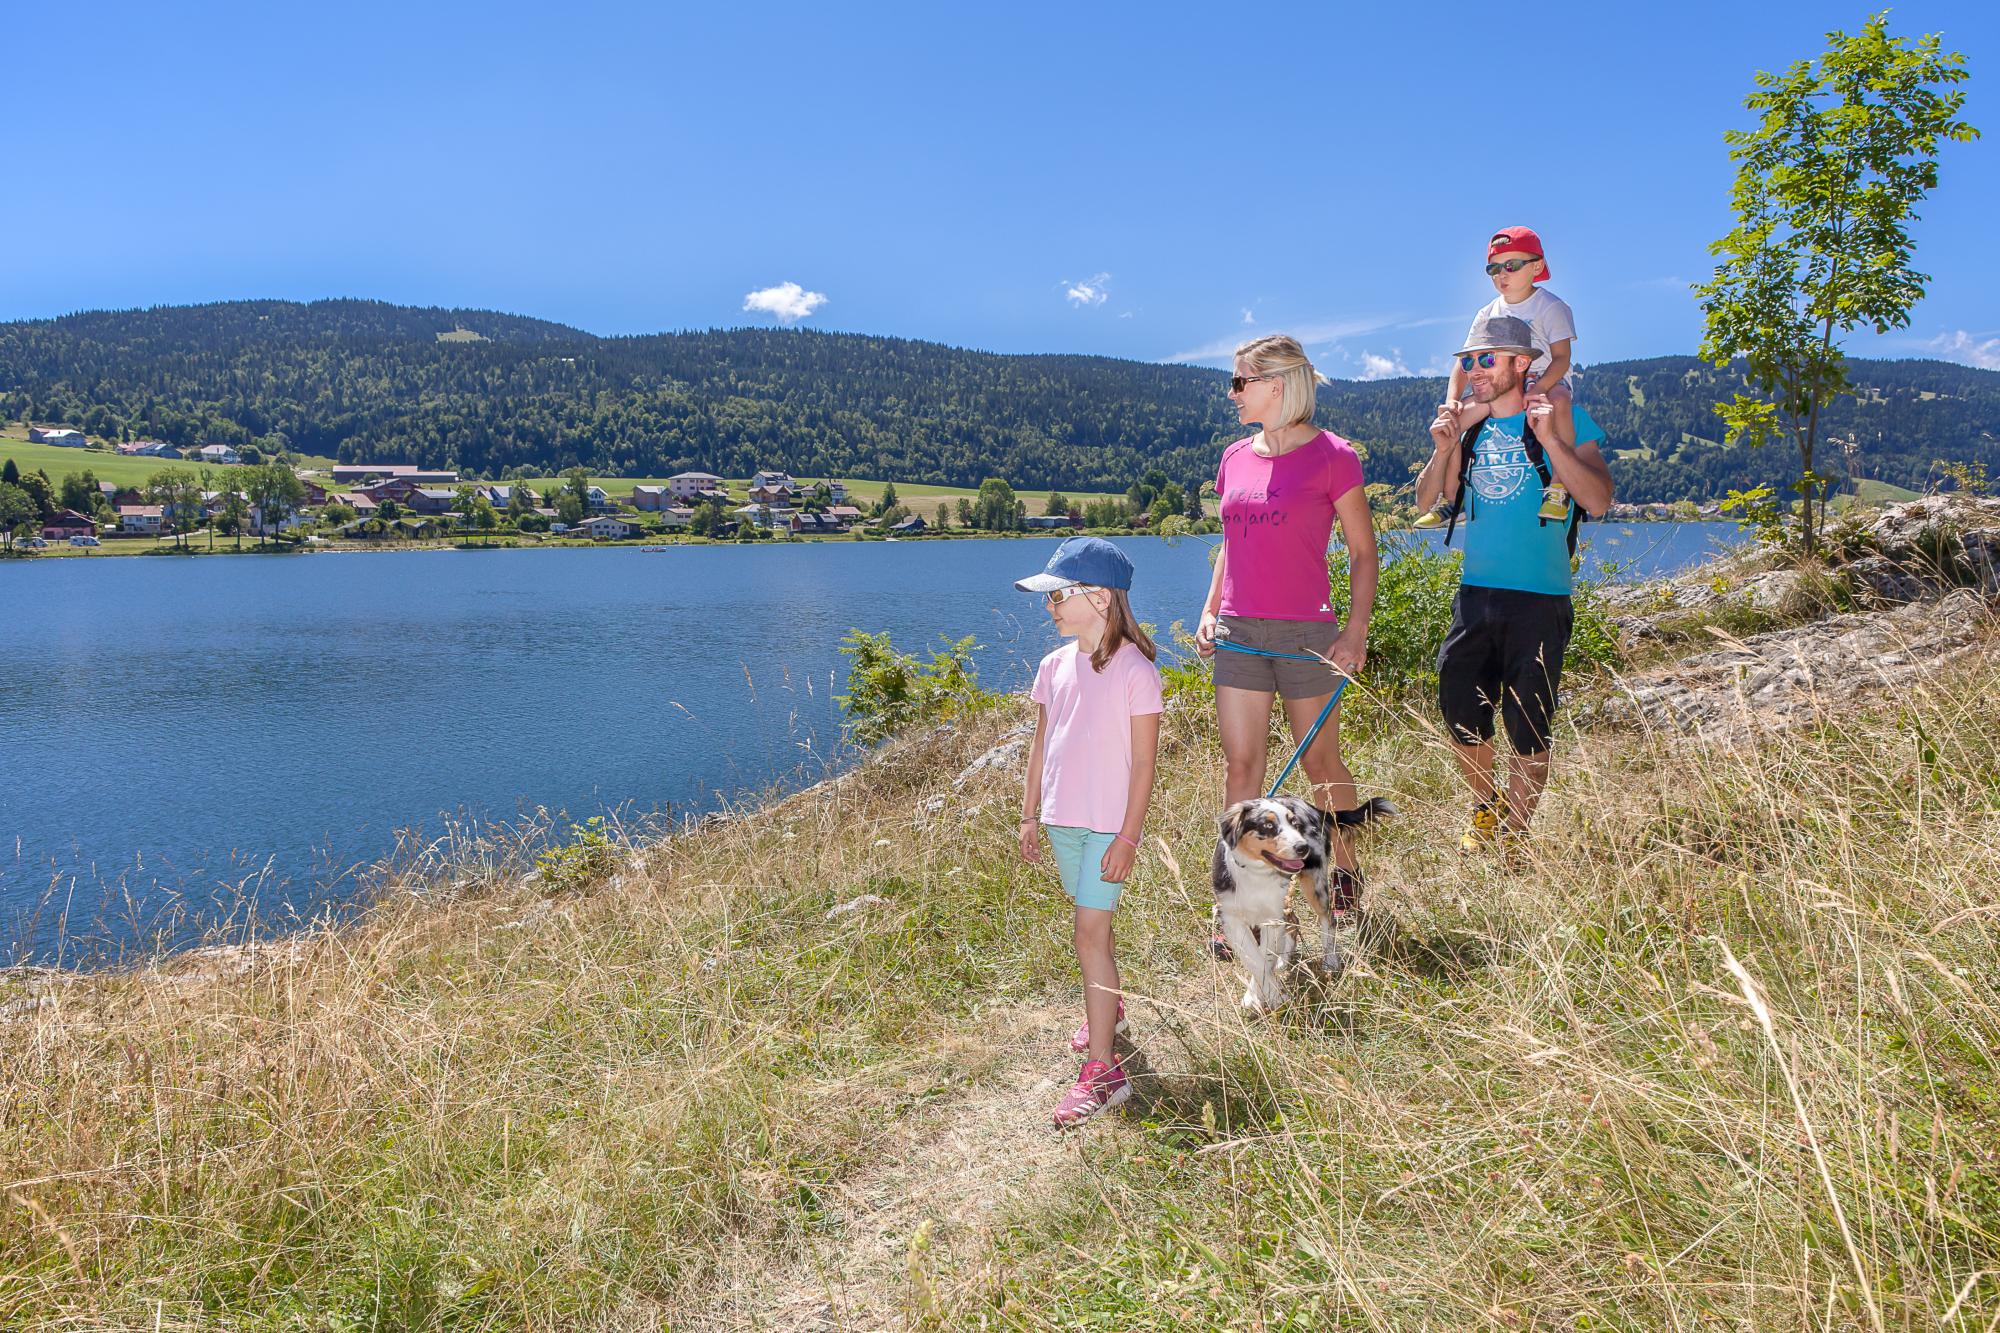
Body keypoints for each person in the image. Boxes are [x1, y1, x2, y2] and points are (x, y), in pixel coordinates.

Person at [1193, 334, 1377, 951]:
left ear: (1277, 385)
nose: (1232, 392)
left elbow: (1360, 551)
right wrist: (1211, 607)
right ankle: (1243, 907)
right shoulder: (1233, 457)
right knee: (1241, 769)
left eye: (1239, 381)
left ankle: (1342, 874)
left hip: (1309, 636)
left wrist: (1355, 631)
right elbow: (1230, 546)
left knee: (1320, 762)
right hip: (1239, 633)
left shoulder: (1333, 457)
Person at [1415, 314, 1614, 850]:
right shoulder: (1471, 426)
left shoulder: (1565, 418)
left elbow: (1596, 500)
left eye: (1487, 359)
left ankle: (1515, 838)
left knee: (1528, 724)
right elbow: (1427, 501)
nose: (1474, 370)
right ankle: (1486, 812)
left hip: (1541, 598)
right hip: (1475, 594)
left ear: (1522, 363)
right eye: (1468, 361)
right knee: (1460, 709)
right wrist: (1441, 449)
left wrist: (1550, 440)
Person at [1015, 536, 1163, 1129]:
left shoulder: (1135, 670)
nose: (1049, 607)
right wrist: (1030, 814)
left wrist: (1129, 837)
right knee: (1090, 931)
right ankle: (1111, 1007)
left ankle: (1104, 1071)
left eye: (1058, 596)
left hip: (1107, 827)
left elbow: (1146, 764)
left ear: (1100, 597)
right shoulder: (1052, 667)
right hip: (1062, 820)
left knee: (1088, 934)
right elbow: (1041, 744)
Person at [1418, 226, 1581, 530]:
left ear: (1537, 267)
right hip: (1501, 382)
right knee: (1456, 421)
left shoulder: (1551, 307)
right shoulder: (1486, 313)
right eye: (1493, 268)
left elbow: (1562, 358)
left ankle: (1559, 489)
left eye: (1511, 266)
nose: (1501, 275)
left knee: (1559, 402)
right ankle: (1453, 499)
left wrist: (1541, 388)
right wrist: (1452, 401)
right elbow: (1463, 364)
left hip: (1545, 379)